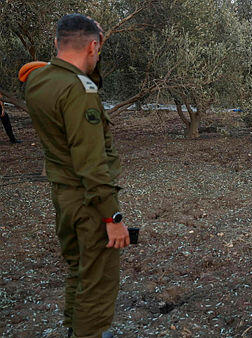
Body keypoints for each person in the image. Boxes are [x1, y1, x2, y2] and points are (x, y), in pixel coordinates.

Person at [23, 14, 129, 338]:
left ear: (56, 43)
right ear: (93, 46)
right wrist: (113, 216)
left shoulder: (38, 81)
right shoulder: (79, 91)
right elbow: (91, 163)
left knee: (77, 269)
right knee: (97, 278)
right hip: (87, 200)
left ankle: (73, 328)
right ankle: (88, 332)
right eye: (97, 49)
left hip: (62, 196)